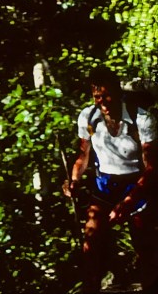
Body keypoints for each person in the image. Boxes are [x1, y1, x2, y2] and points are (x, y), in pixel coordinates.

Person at [63, 67, 158, 293]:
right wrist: (73, 180)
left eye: (107, 95)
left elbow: (152, 167)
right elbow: (82, 156)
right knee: (91, 241)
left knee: (144, 244)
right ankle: (91, 287)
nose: (103, 102)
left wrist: (127, 202)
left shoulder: (142, 118)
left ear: (118, 92)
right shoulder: (88, 117)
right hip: (105, 185)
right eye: (97, 96)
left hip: (137, 184)